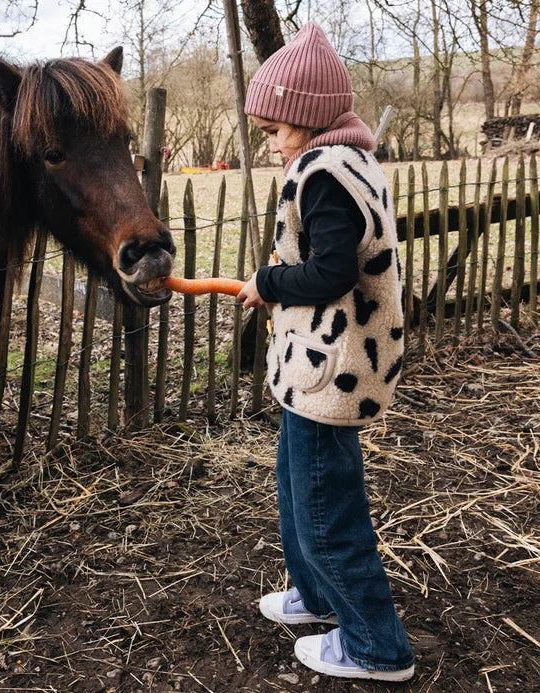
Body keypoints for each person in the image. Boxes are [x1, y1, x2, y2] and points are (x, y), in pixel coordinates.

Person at [236, 22, 415, 682]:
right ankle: (316, 598)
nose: (273, 142)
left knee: (326, 511)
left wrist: (268, 281)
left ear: (310, 119)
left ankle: (376, 645)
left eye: (278, 129)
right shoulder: (343, 162)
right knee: (297, 489)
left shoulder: (326, 174)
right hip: (314, 363)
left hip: (332, 369)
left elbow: (333, 272)